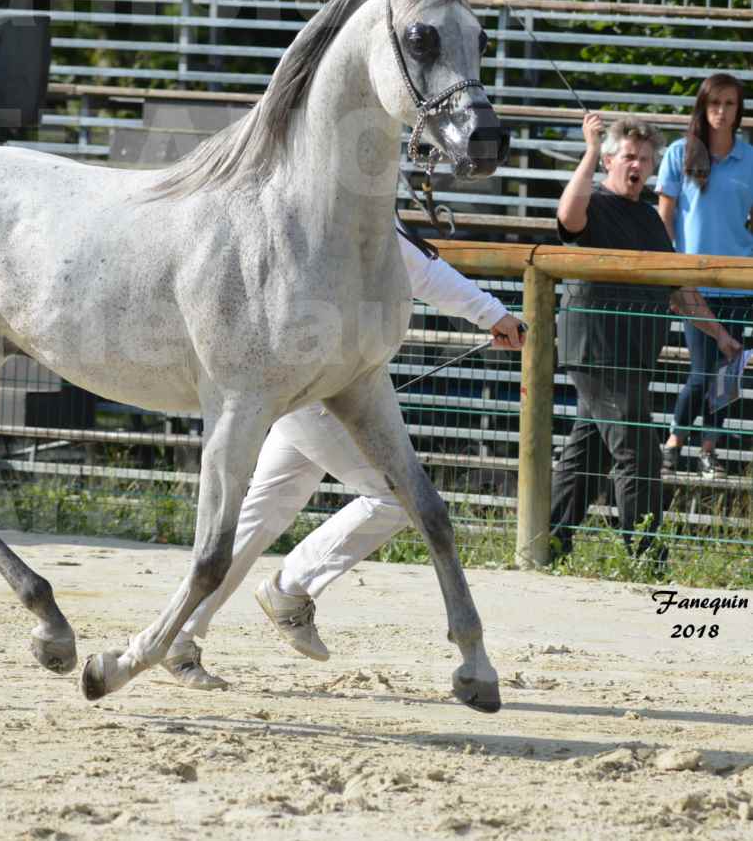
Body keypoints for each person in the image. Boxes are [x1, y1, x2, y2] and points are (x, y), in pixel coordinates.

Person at [161, 221, 526, 690]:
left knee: (257, 518)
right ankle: (290, 588)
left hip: (301, 384)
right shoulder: (351, 215)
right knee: (394, 499)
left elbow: (418, 264)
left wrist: (491, 315)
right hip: (327, 390)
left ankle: (179, 636)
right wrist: (494, 314)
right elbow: (421, 269)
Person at [550, 113, 740, 565]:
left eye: (646, 158)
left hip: (631, 355)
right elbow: (567, 216)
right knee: (637, 450)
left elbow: (678, 289)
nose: (637, 164)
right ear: (611, 161)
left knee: (585, 455)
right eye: (629, 156)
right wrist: (591, 149)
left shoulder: (651, 220)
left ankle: (547, 544)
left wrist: (721, 336)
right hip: (598, 350)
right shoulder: (594, 203)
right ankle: (647, 555)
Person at [656, 74, 751, 479]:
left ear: (738, 110)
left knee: (728, 372)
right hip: (692, 284)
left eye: (729, 104)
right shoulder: (679, 153)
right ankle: (675, 441)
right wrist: (672, 271)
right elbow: (665, 218)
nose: (721, 112)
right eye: (715, 103)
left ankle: (708, 450)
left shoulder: (749, 158)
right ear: (703, 106)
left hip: (739, 282)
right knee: (701, 370)